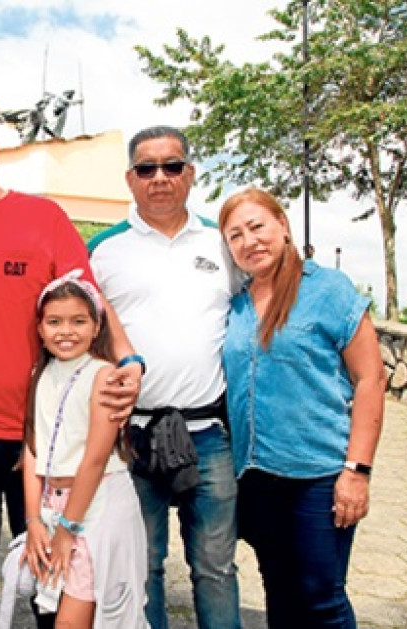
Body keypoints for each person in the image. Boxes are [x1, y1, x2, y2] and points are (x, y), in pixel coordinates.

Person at [0, 104, 143, 629]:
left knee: (52, 558)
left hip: (43, 432)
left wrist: (128, 360)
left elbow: (92, 301)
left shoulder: (43, 218)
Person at [89, 126, 242, 629]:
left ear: (191, 174)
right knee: (142, 565)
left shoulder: (223, 246)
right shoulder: (103, 251)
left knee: (215, 568)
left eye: (172, 166)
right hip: (132, 436)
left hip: (210, 437)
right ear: (130, 179)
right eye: (146, 168)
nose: (160, 178)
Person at [218, 187, 385, 628]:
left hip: (319, 477)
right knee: (279, 590)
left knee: (321, 598)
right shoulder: (236, 304)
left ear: (283, 226)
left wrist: (357, 470)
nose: (249, 241)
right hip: (255, 476)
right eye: (235, 235)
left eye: (257, 227)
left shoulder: (328, 289)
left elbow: (370, 380)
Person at [21, 270, 148, 629]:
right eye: (55, 322)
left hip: (96, 507)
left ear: (96, 327)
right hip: (53, 505)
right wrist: (33, 520)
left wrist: (67, 529)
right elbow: (33, 449)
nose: (66, 331)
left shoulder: (104, 375)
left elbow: (94, 460)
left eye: (79, 321)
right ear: (41, 329)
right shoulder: (39, 375)